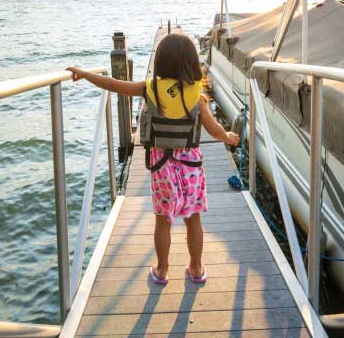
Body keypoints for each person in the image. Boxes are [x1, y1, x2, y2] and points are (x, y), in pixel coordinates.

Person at [66, 34, 239, 286]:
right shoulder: (197, 94)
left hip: (162, 168)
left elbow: (114, 84)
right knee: (193, 219)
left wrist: (84, 73)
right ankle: (197, 268)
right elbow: (214, 130)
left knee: (163, 220)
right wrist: (228, 136)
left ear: (160, 62)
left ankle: (161, 269)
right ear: (191, 62)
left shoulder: (149, 88)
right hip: (191, 167)